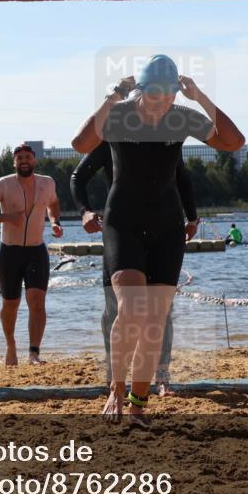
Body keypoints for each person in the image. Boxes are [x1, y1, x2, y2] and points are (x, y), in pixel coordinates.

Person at [72, 54, 244, 423]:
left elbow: (234, 141)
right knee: (130, 309)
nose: (160, 105)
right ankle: (116, 389)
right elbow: (81, 144)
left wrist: (200, 98)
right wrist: (113, 96)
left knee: (155, 319)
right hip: (123, 223)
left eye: (168, 97)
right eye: (154, 97)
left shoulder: (182, 116)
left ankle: (138, 403)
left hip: (167, 226)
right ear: (141, 91)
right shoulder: (119, 115)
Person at [70, 140, 199, 397]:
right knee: (116, 309)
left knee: (160, 311)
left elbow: (182, 177)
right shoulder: (112, 138)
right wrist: (85, 211)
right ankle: (114, 376)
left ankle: (161, 376)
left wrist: (192, 216)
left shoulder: (163, 138)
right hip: (122, 230)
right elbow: (78, 177)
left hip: (162, 228)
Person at [0, 143, 63, 366]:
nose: (24, 161)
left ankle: (34, 353)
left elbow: (53, 204)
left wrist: (55, 222)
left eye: (27, 157)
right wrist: (8, 218)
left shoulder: (47, 183)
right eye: (20, 158)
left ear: (34, 160)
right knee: (10, 305)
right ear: (14, 162)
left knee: (37, 302)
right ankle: (11, 345)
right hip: (10, 252)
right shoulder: (4, 184)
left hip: (36, 250)